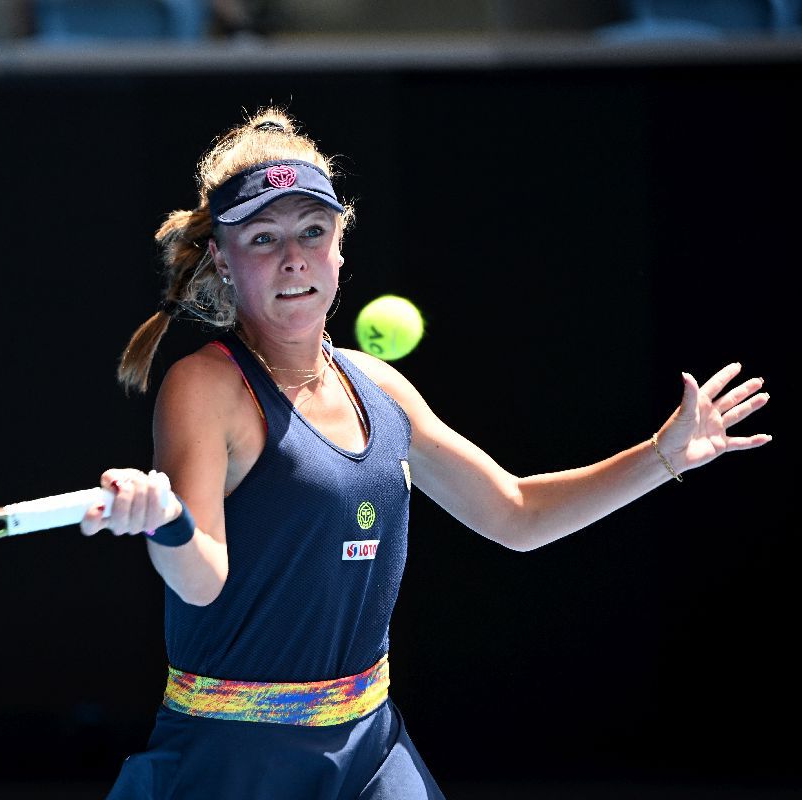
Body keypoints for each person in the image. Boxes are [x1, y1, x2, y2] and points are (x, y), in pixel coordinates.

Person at [77, 106, 772, 799]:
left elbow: (517, 514)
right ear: (223, 263)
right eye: (262, 238)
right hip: (234, 759)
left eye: (312, 232)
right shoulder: (205, 385)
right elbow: (201, 578)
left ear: (339, 251)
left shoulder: (380, 387)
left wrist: (662, 456)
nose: (293, 256)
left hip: (371, 749)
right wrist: (165, 519)